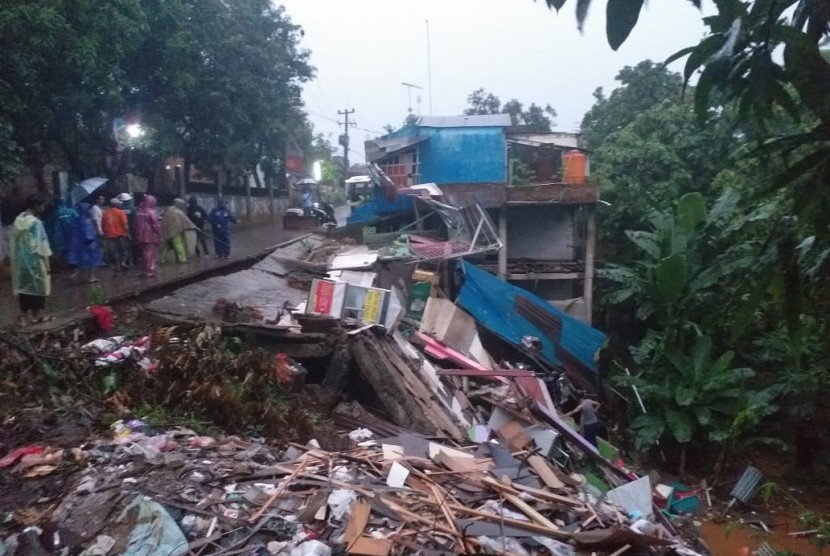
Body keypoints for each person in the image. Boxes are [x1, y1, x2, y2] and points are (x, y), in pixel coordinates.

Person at [10, 194, 53, 326]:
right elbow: (41, 245)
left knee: (24, 288)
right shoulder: (36, 223)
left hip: (20, 261)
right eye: (42, 206)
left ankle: (25, 316)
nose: (44, 208)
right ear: (35, 206)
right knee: (41, 286)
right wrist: (47, 265)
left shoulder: (18, 220)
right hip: (35, 260)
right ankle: (39, 315)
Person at [67, 202, 103, 283]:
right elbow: (88, 233)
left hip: (80, 244)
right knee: (92, 261)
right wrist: (91, 241)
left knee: (82, 261)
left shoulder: (76, 220)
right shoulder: (86, 221)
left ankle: (77, 274)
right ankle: (91, 277)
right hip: (89, 243)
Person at [160, 198, 196, 263]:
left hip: (167, 230)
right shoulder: (178, 212)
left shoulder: (168, 210)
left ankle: (162, 259)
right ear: (179, 204)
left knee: (165, 246)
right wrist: (194, 227)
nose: (183, 206)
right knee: (179, 245)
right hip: (176, 231)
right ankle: (182, 259)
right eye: (182, 205)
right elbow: (186, 221)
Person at [135, 195, 162, 277]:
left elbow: (136, 224)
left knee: (144, 253)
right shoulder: (152, 212)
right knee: (150, 253)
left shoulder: (139, 211)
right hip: (150, 235)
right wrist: (160, 234)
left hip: (141, 235)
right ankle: (150, 270)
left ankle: (145, 269)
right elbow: (155, 225)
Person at [102, 197, 131, 270]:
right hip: (120, 235)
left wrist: (105, 234)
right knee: (124, 250)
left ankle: (117, 266)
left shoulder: (105, 213)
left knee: (114, 252)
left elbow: (103, 225)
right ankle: (123, 262)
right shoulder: (121, 212)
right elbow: (125, 225)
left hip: (110, 235)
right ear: (116, 204)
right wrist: (128, 233)